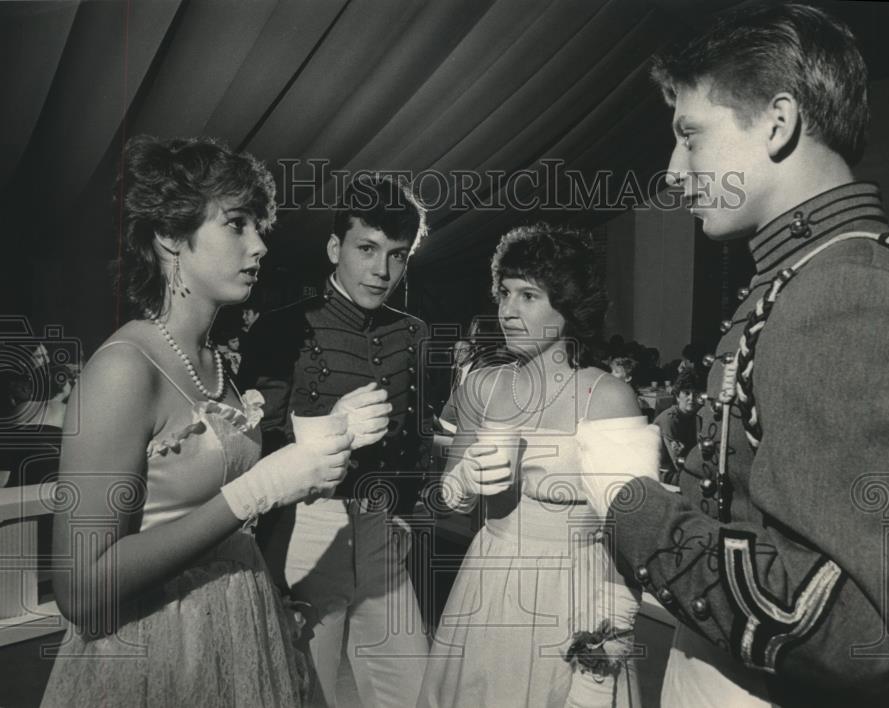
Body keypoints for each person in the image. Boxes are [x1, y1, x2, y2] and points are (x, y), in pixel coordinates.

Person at [580, 4, 889, 706]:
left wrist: (627, 501)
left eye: (690, 137)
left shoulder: (850, 290)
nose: (672, 173)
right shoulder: (806, 277)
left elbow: (857, 633)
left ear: (778, 123)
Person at [42, 135, 355, 707]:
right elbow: (82, 592)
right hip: (153, 656)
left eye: (260, 225)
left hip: (240, 633)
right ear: (169, 235)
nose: (260, 246)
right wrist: (257, 489)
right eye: (237, 224)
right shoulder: (123, 368)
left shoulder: (216, 363)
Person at [419, 223, 660, 708]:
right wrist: (461, 483)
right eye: (505, 293)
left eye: (529, 295)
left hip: (574, 591)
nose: (508, 310)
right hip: (486, 580)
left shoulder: (607, 397)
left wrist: (601, 662)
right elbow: (444, 499)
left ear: (567, 306)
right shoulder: (482, 387)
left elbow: (638, 541)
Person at [241, 175, 432, 708]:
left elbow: (413, 437)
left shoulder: (413, 333)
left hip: (380, 530)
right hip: (305, 527)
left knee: (413, 691)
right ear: (335, 247)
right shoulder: (281, 328)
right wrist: (332, 423)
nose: (381, 270)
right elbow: (259, 444)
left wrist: (404, 512)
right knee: (308, 690)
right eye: (367, 249)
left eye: (396, 255)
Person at [653, 367, 704, 485]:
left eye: (695, 394)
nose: (691, 398)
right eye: (686, 393)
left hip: (684, 468)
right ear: (677, 396)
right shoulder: (669, 419)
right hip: (662, 474)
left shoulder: (695, 416)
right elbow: (677, 463)